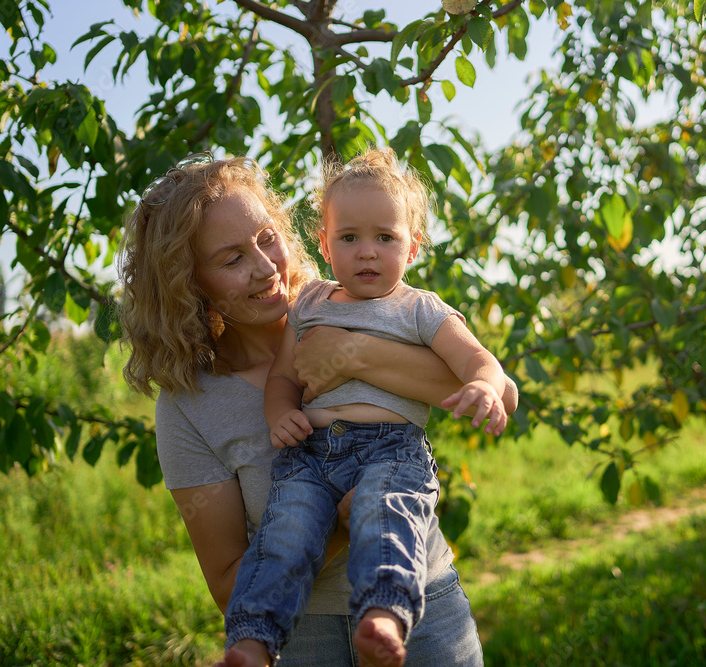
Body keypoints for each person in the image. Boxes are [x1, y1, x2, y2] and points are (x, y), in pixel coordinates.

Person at [117, 151, 516, 667]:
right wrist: (343, 523)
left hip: (426, 613)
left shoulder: (362, 308)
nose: (265, 268)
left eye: (267, 238)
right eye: (232, 259)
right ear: (188, 283)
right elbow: (224, 583)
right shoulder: (190, 406)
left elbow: (496, 387)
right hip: (304, 638)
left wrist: (357, 354)